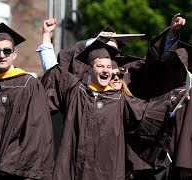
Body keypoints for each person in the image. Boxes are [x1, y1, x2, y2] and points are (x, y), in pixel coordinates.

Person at [39, 27, 183, 179]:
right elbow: (53, 71)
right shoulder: (76, 91)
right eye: (100, 66)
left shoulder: (120, 100)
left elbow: (148, 112)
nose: (106, 71)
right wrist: (46, 36)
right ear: (90, 68)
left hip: (106, 172)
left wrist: (172, 103)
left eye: (108, 67)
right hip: (74, 170)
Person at [129, 13, 192, 180]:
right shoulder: (152, 87)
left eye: (175, 63)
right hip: (149, 164)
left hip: (180, 165)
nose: (171, 67)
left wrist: (189, 164)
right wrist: (171, 35)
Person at [0, 22, 54, 180]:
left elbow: (36, 131)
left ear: (14, 54)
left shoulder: (29, 85)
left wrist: (12, 164)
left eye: (7, 51)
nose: (1, 55)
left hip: (14, 170)